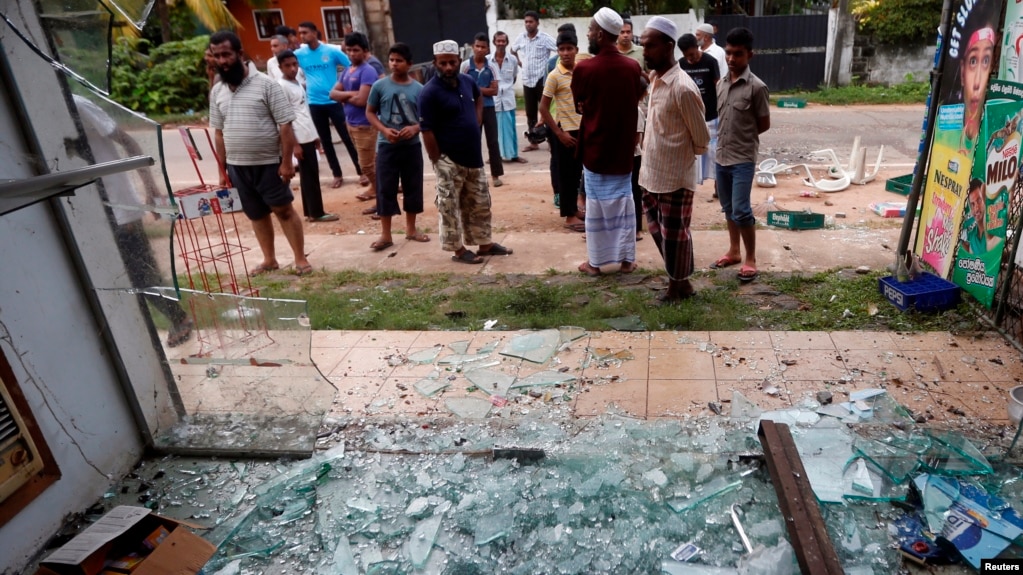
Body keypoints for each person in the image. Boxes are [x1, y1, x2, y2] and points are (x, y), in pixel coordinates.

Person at [73, 94, 193, 347]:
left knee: (141, 272)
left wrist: (150, 188)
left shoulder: (78, 104)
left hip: (119, 205)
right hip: (86, 208)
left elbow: (129, 142)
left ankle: (178, 317)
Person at [208, 31, 312, 277]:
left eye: (226, 54)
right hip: (237, 166)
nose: (222, 60)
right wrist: (222, 172)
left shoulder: (266, 85)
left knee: (284, 210)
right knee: (256, 214)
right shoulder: (217, 90)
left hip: (269, 164)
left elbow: (285, 124)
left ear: (239, 54)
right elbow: (219, 133)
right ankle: (269, 260)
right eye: (217, 56)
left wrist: (287, 162)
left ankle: (300, 259)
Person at [420, 40, 513, 264]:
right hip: (448, 160)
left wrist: (477, 116)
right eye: (443, 63)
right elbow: (427, 130)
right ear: (435, 63)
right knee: (449, 206)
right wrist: (437, 159)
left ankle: (485, 244)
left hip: (474, 157)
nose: (448, 67)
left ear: (458, 61)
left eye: (452, 62)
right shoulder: (428, 93)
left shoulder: (467, 81)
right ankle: (458, 250)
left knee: (480, 203)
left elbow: (480, 97)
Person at [639, 18, 710, 304]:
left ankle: (676, 288)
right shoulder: (656, 79)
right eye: (643, 45)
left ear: (669, 47)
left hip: (674, 177)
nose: (645, 51)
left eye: (650, 46)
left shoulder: (683, 87)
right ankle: (683, 283)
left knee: (675, 236)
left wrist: (678, 158)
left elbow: (702, 139)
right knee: (661, 233)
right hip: (650, 175)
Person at [571, 7, 645, 276]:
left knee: (597, 207)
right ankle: (626, 260)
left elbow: (579, 104)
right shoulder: (632, 66)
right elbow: (637, 95)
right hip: (623, 150)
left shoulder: (585, 68)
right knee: (624, 204)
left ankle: (596, 262)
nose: (588, 33)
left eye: (591, 29)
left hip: (596, 148)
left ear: (600, 34)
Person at [714, 27, 770, 283]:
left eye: (737, 54)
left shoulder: (757, 87)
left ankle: (750, 259)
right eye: (728, 53)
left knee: (742, 210)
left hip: (743, 159)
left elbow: (763, 123)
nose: (731, 59)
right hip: (721, 157)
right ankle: (733, 251)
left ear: (750, 55)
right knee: (728, 209)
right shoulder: (720, 84)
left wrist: (743, 139)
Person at [366, 43, 430, 252]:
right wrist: (384, 130)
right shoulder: (379, 86)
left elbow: (427, 118)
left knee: (413, 186)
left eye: (399, 60)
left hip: (411, 147)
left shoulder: (419, 90)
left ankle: (411, 229)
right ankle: (386, 234)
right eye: (392, 60)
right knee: (386, 188)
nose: (394, 64)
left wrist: (415, 128)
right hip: (387, 146)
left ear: (409, 64)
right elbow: (370, 112)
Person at [295, 21, 362, 189]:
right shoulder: (299, 54)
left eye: (305, 32)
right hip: (314, 102)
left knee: (347, 137)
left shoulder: (330, 51)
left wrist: (343, 87)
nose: (302, 36)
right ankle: (337, 174)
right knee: (325, 141)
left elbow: (351, 66)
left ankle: (361, 171)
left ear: (315, 33)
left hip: (335, 102)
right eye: (300, 33)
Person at [277, 50, 337, 223]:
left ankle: (311, 211)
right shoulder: (282, 87)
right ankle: (316, 212)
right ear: (280, 67)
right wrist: (294, 144)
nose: (293, 68)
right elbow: (285, 119)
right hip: (299, 137)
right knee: (309, 175)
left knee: (311, 174)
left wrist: (315, 135)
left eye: (295, 64)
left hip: (307, 133)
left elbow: (304, 111)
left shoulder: (296, 83)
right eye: (287, 66)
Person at [539, 31, 585, 233]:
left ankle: (575, 209)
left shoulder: (581, 72)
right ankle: (569, 216)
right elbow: (543, 107)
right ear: (557, 52)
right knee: (566, 175)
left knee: (577, 174)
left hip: (581, 131)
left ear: (576, 50)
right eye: (561, 49)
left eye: (569, 49)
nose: (565, 53)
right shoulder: (554, 76)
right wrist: (559, 133)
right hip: (564, 133)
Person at [331, 32, 380, 213]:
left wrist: (345, 96)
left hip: (364, 124)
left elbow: (362, 101)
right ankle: (379, 188)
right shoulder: (347, 71)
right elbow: (332, 94)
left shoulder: (367, 71)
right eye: (349, 50)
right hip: (350, 122)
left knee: (366, 164)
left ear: (365, 51)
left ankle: (381, 192)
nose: (352, 54)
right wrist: (351, 94)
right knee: (370, 162)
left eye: (356, 50)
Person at [461, 33, 505, 188]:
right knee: (473, 141)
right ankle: (474, 174)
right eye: (477, 46)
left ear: (487, 49)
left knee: (493, 141)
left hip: (488, 107)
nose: (479, 49)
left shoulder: (491, 66)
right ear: (473, 47)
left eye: (483, 47)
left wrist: (474, 89)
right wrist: (482, 89)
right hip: (471, 109)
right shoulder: (465, 66)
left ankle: (495, 175)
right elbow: (462, 88)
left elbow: (494, 91)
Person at [511, 10, 557, 151]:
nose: (528, 24)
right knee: (530, 112)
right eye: (526, 21)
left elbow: (559, 49)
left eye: (531, 21)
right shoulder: (521, 37)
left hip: (541, 80)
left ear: (537, 23)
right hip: (527, 80)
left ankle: (551, 141)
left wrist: (552, 69)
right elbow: (513, 50)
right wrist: (519, 63)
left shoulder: (544, 38)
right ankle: (534, 141)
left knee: (546, 111)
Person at [678, 33, 720, 188]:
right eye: (687, 55)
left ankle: (718, 187)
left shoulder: (710, 61)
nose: (691, 58)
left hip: (711, 115)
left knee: (715, 153)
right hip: (690, 118)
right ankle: (689, 187)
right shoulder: (680, 64)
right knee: (691, 155)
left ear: (698, 47)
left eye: (693, 54)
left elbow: (718, 85)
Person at [490, 31, 527, 164]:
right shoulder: (488, 60)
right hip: (493, 101)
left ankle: (514, 155)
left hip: (508, 99)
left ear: (507, 42)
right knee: (494, 130)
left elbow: (514, 77)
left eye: (503, 41)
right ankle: (496, 156)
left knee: (511, 129)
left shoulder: (512, 60)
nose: (500, 43)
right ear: (494, 42)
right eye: (498, 41)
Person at [960, 25, 995, 151]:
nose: (977, 83)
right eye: (973, 61)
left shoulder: (994, 132)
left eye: (986, 60)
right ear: (962, 72)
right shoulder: (945, 129)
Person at [961, 178, 997, 254]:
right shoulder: (971, 235)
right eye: (972, 204)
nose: (976, 208)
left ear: (985, 198)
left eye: (979, 200)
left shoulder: (994, 229)